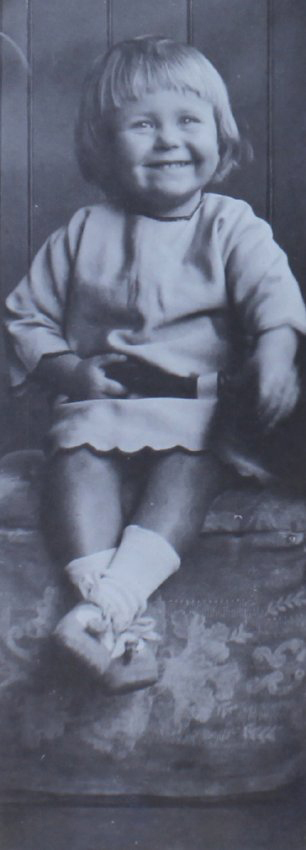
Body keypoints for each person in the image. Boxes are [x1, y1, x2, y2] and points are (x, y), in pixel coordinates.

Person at [4, 36, 306, 693]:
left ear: (219, 138)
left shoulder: (232, 225)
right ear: (105, 148)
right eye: (143, 125)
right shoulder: (83, 231)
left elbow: (274, 300)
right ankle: (105, 611)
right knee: (77, 460)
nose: (169, 140)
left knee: (189, 467)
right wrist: (68, 372)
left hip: (200, 407)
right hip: (104, 398)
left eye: (188, 121)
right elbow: (25, 318)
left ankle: (104, 610)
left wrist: (279, 352)